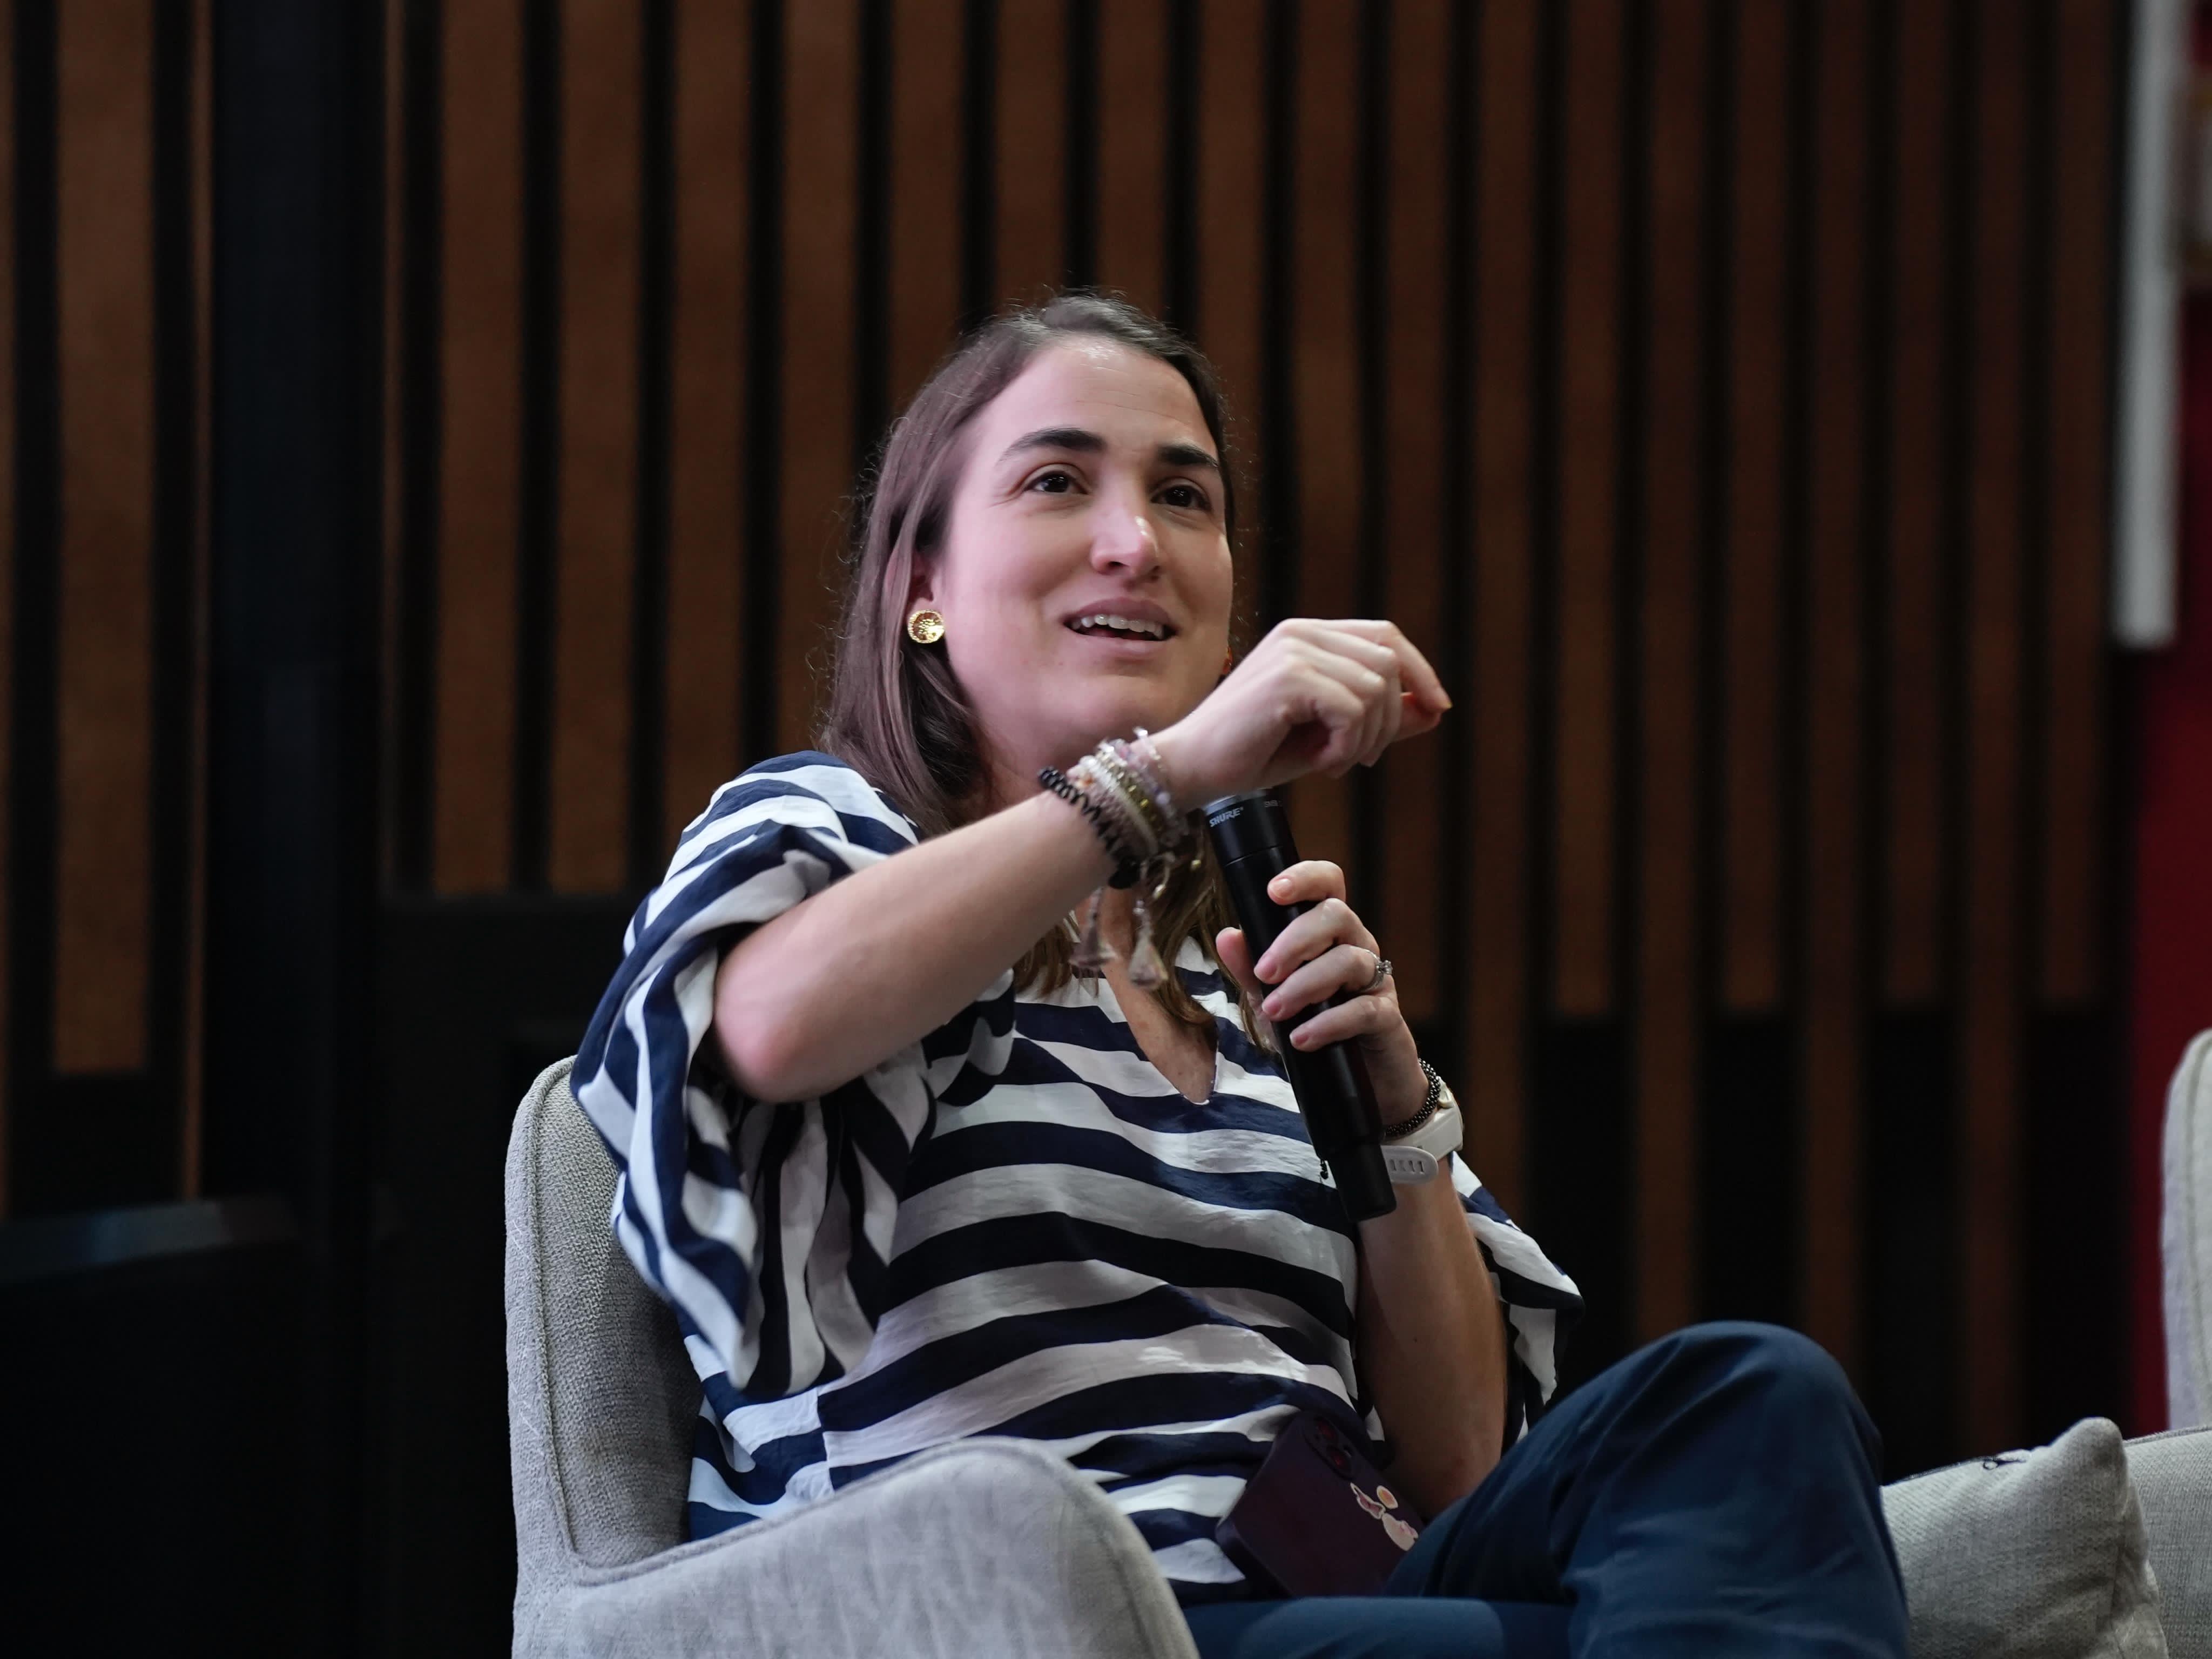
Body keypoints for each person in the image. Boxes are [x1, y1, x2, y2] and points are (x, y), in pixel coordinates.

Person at [573, 292, 1908, 1658]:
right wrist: (1169, 772)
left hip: (1322, 1607)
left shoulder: (1239, 970)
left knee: (1749, 1394)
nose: (1133, 542)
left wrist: (1390, 1123)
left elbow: (1456, 1466)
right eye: (1054, 482)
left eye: (1183, 498)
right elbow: (765, 1028)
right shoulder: (831, 833)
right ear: (921, 587)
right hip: (1023, 1617)